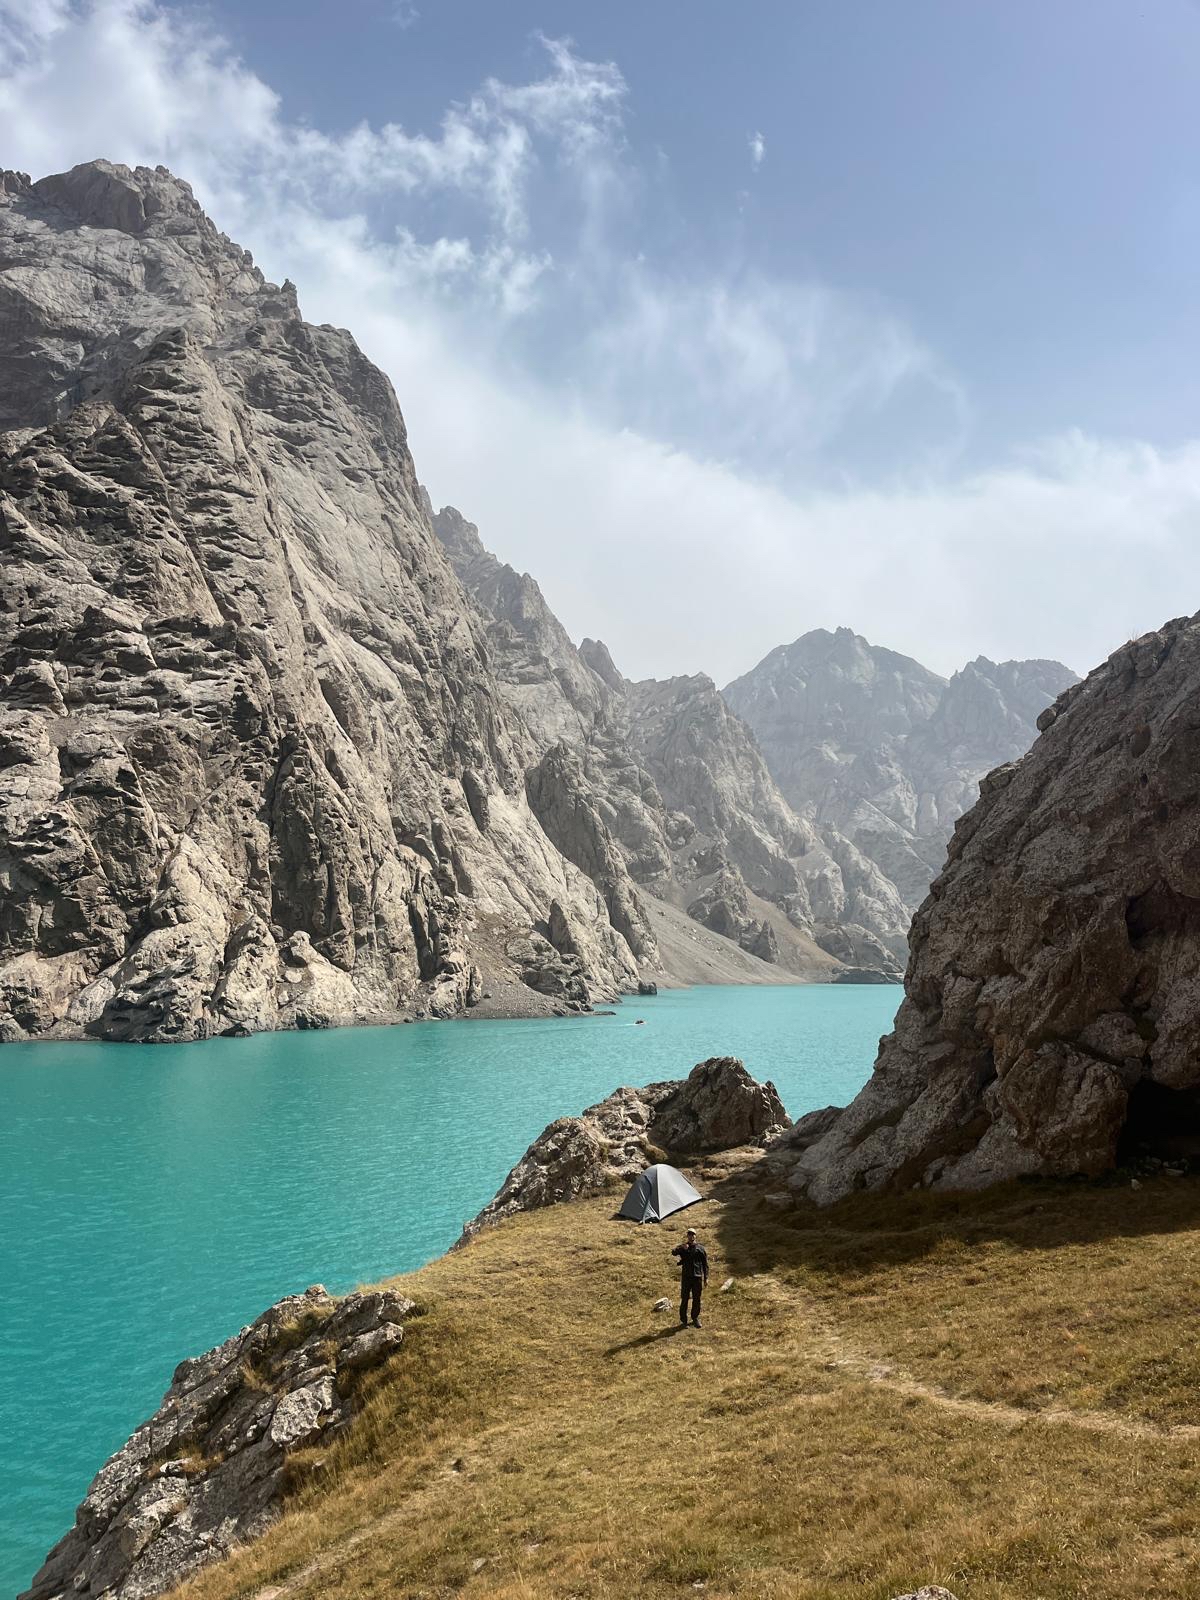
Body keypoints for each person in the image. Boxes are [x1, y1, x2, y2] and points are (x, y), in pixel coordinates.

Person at [671, 1225, 708, 1328]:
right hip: (686, 1277)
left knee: (697, 1299)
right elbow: (673, 1253)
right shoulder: (684, 1247)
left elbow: (705, 1264)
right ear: (687, 1236)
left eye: (693, 1234)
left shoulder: (700, 1248)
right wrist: (680, 1248)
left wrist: (706, 1278)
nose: (691, 1236)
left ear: (695, 1236)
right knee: (685, 1299)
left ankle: (695, 1318)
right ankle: (684, 1321)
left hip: (697, 1277)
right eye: (689, 1234)